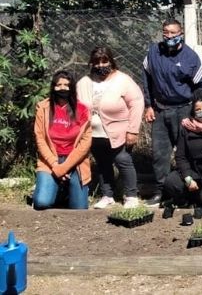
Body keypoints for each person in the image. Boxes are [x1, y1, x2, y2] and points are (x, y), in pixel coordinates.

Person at [141, 18, 202, 206]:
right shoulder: (153, 52)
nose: (169, 36)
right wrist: (148, 105)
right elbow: (146, 79)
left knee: (187, 153)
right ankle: (161, 192)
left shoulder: (190, 57)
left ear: (181, 34)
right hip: (160, 110)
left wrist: (198, 112)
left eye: (173, 32)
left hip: (184, 109)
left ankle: (191, 191)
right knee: (159, 154)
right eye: (166, 32)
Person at [77, 47, 144, 209]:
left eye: (104, 61)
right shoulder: (84, 82)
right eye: (97, 62)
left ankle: (131, 195)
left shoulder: (123, 80)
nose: (101, 65)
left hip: (119, 131)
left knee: (123, 160)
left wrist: (133, 130)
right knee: (102, 163)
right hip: (93, 133)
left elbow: (137, 102)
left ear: (111, 61)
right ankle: (107, 195)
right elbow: (78, 107)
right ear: (91, 63)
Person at [33, 71, 91, 210]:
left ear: (72, 87)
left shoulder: (82, 109)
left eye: (66, 84)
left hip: (75, 161)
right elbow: (40, 138)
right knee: (42, 202)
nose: (63, 88)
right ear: (53, 87)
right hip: (50, 161)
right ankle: (55, 190)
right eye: (59, 85)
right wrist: (55, 165)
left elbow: (85, 143)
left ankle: (64, 191)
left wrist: (64, 168)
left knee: (79, 208)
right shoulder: (43, 108)